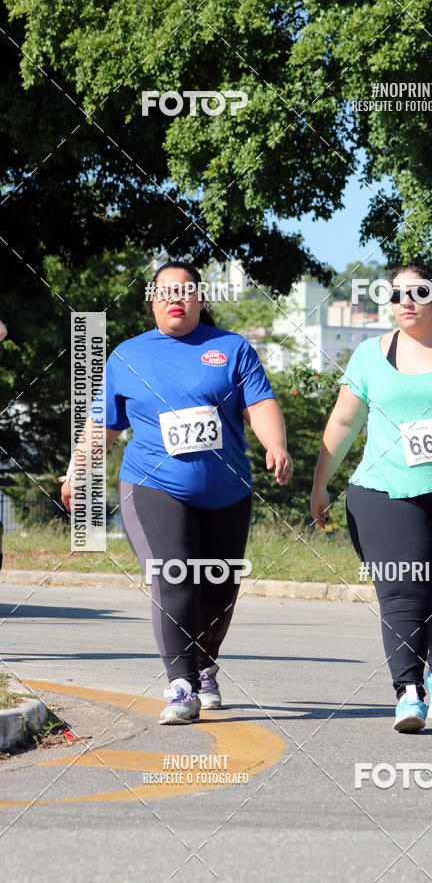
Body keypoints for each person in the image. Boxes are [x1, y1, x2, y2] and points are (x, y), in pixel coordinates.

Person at [61, 260, 292, 724]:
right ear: (151, 301)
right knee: (175, 575)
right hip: (153, 485)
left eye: (185, 291)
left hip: (227, 491)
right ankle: (181, 685)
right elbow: (102, 425)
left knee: (219, 589)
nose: (175, 299)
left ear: (201, 300)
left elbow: (260, 403)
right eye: (165, 291)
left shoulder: (231, 347)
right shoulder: (128, 356)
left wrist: (276, 446)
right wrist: (76, 473)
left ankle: (204, 666)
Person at [311, 263, 432, 733]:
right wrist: (320, 482)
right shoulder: (369, 355)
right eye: (396, 294)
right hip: (384, 490)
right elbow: (344, 421)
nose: (406, 301)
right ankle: (408, 692)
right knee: (405, 587)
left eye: (418, 292)